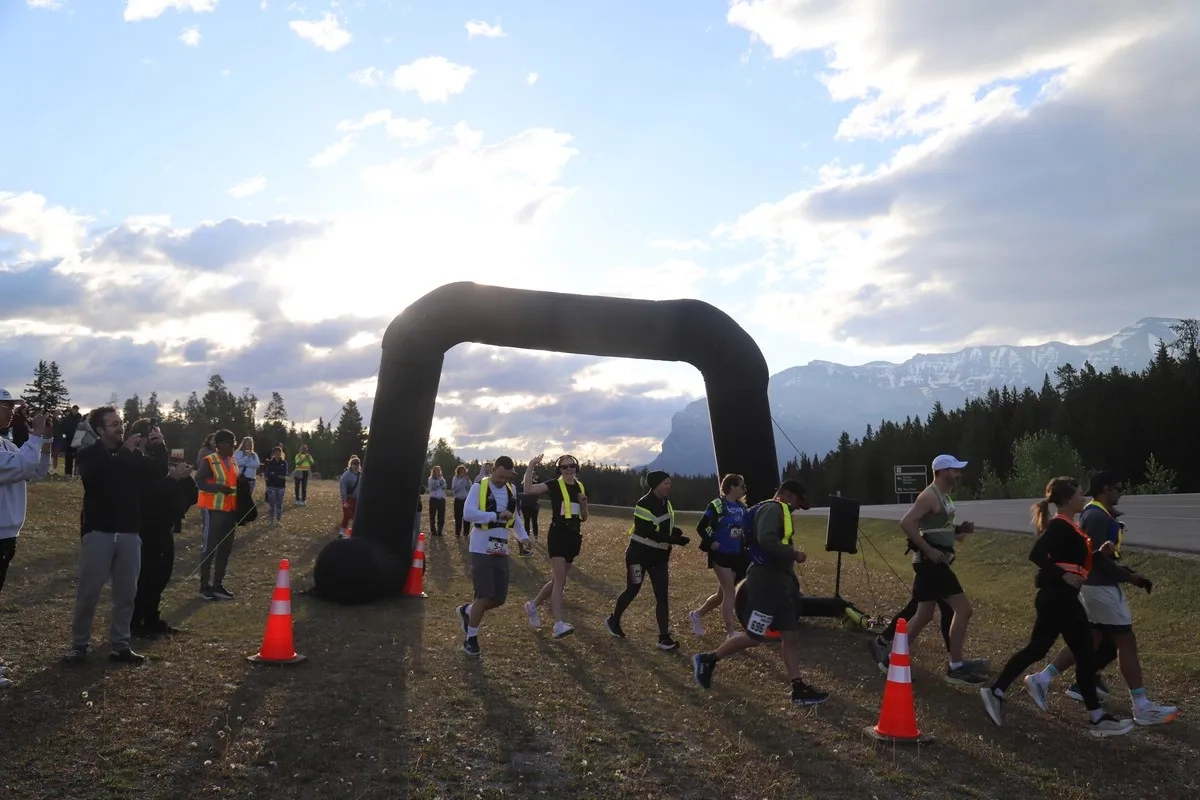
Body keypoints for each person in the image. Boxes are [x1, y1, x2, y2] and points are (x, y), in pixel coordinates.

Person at [979, 476, 1134, 737]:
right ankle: (1096, 718)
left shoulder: (1068, 526)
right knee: (1084, 652)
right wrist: (1062, 575)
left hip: (1057, 597)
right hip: (1059, 597)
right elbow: (1036, 554)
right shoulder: (1060, 525)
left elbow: (1070, 560)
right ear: (1066, 499)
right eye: (1079, 493)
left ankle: (996, 691)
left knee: (1038, 649)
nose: (1083, 497)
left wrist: (1099, 556)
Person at [1024, 470, 1176, 725]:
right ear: (1106, 489)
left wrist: (1127, 574)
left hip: (1095, 586)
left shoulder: (1098, 513)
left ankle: (1042, 678)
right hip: (1100, 587)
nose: (1121, 493)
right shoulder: (1095, 515)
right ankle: (1141, 706)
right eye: (1118, 488)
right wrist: (1128, 577)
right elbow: (1092, 560)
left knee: (1091, 638)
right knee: (1126, 641)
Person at [692, 479, 829, 705]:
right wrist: (793, 554)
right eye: (796, 501)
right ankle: (708, 659)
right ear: (785, 494)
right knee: (754, 637)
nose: (796, 507)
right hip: (765, 583)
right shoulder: (772, 509)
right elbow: (766, 540)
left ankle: (798, 688)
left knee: (790, 636)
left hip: (780, 583)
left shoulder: (779, 510)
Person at [65, 406, 168, 665]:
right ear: (100, 430)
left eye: (120, 423)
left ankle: (120, 645)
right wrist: (124, 453)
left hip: (129, 533)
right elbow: (97, 478)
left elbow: (157, 473)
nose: (119, 427)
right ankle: (79, 645)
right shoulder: (89, 454)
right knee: (89, 593)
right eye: (113, 424)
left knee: (126, 594)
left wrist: (159, 448)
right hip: (98, 532)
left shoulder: (132, 457)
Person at [875, 454, 987, 686]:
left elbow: (939, 527)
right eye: (955, 470)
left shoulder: (944, 497)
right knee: (964, 609)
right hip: (931, 562)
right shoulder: (929, 495)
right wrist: (928, 549)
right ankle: (956, 666)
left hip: (933, 561)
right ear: (944, 471)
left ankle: (890, 661)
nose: (959, 474)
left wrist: (959, 530)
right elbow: (906, 522)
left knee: (924, 615)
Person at [605, 470, 690, 650]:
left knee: (662, 596)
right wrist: (674, 540)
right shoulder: (643, 503)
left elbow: (662, 526)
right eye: (666, 483)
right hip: (638, 556)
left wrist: (674, 532)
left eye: (670, 483)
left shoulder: (666, 502)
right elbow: (647, 532)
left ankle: (664, 638)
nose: (669, 486)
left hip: (659, 558)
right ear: (656, 485)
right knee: (633, 589)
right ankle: (614, 620)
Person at [0, 392, 52, 687]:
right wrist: (35, 436)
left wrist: (44, 441)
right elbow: (20, 466)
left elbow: (37, 470)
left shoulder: (6, 443)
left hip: (6, 534)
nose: (12, 413)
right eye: (7, 407)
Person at [129, 419, 198, 638]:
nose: (160, 444)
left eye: (162, 438)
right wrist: (171, 479)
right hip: (144, 527)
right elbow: (147, 493)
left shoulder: (160, 461)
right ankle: (136, 621)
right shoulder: (133, 460)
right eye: (155, 438)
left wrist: (183, 479)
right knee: (145, 575)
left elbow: (181, 492)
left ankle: (151, 617)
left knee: (162, 574)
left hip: (164, 525)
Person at [458, 456, 532, 656]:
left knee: (499, 598)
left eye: (507, 477)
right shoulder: (477, 488)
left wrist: (524, 537)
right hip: (481, 547)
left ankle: (467, 611)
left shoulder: (511, 490)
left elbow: (514, 516)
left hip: (501, 547)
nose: (502, 481)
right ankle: (470, 639)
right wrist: (495, 516)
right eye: (500, 476)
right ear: (493, 470)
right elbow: (468, 514)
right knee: (484, 595)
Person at [522, 453, 589, 638]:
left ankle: (532, 605)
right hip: (558, 535)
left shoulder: (580, 487)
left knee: (557, 580)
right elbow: (528, 489)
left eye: (571, 466)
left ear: (576, 468)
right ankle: (558, 624)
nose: (568, 470)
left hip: (574, 537)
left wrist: (584, 505)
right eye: (564, 467)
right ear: (559, 470)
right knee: (560, 581)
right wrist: (531, 466)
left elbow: (584, 517)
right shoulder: (554, 484)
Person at [688, 473, 751, 638]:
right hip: (720, 554)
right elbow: (701, 527)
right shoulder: (717, 505)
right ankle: (731, 632)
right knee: (730, 592)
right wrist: (711, 543)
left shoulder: (742, 507)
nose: (744, 488)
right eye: (741, 485)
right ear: (731, 487)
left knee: (721, 595)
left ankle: (697, 615)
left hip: (735, 554)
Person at [196, 429, 239, 601]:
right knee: (209, 548)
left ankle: (218, 585)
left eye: (234, 442)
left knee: (225, 549)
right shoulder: (209, 461)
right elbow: (199, 481)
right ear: (219, 444)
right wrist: (218, 488)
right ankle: (204, 587)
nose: (233, 446)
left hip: (230, 512)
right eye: (230, 443)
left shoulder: (233, 461)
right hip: (212, 510)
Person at [263, 446, 288, 526]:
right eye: (276, 452)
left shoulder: (284, 463)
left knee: (279, 504)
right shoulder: (269, 463)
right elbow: (267, 474)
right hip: (271, 486)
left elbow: (284, 473)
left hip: (281, 486)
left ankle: (278, 520)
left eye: (279, 452)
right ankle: (271, 520)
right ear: (273, 454)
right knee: (272, 504)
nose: (277, 454)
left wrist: (273, 474)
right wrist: (275, 475)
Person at [338, 457, 362, 538]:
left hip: (357, 499)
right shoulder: (346, 475)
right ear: (351, 464)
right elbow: (343, 487)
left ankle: (351, 532)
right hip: (348, 498)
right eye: (354, 463)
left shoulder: (361, 475)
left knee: (356, 516)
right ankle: (341, 533)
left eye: (358, 463)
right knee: (347, 515)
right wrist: (344, 500)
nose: (356, 465)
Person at [59, 404, 82, 478]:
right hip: (69, 439)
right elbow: (63, 427)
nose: (76, 411)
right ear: (72, 409)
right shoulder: (67, 418)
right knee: (68, 456)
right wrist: (66, 433)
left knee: (78, 456)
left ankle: (77, 472)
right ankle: (68, 473)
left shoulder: (80, 418)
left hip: (77, 439)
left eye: (77, 410)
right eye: (74, 409)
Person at [451, 465, 471, 538]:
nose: (463, 473)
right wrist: (462, 481)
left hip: (465, 500)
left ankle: (466, 533)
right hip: (458, 500)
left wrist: (468, 481)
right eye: (461, 472)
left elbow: (469, 487)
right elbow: (455, 489)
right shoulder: (455, 479)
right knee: (458, 517)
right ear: (458, 472)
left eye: (464, 472)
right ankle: (457, 533)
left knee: (466, 517)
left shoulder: (466, 479)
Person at [427, 466, 447, 536]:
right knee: (432, 516)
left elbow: (444, 486)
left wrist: (440, 479)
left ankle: (440, 531)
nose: (438, 472)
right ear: (433, 471)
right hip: (433, 499)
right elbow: (433, 487)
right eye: (436, 471)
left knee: (441, 516)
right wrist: (439, 482)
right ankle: (433, 531)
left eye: (439, 471)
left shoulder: (442, 479)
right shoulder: (430, 479)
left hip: (441, 499)